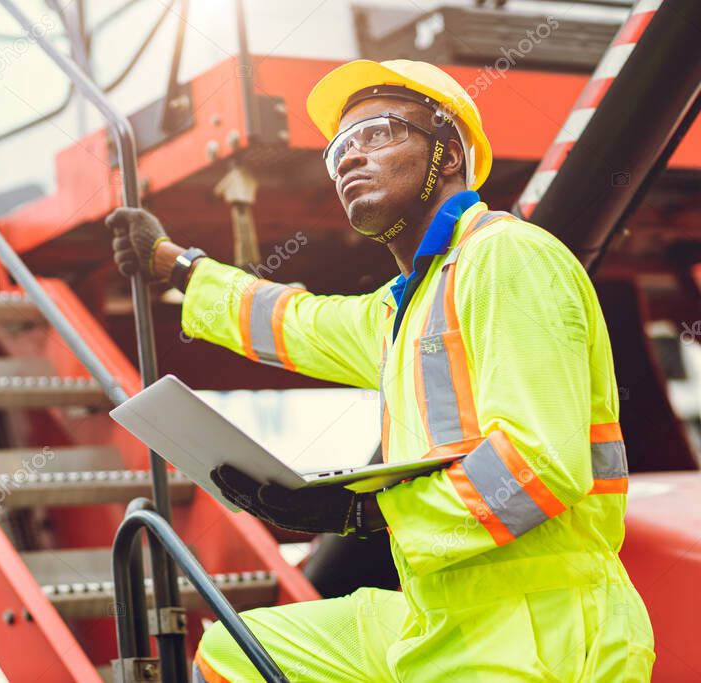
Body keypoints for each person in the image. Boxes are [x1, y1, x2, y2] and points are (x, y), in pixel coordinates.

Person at [107, 59, 655, 682]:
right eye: (340, 147)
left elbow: (537, 468)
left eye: (378, 134)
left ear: (448, 156)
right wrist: (176, 266)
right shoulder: (408, 305)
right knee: (233, 650)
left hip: (540, 628)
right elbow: (294, 321)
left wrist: (360, 513)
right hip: (440, 618)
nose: (348, 158)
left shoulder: (507, 256)